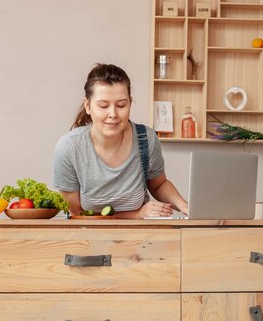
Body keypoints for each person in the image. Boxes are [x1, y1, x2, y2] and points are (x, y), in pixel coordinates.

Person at [52, 63, 188, 218]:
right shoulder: (69, 147)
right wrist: (136, 214)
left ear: (130, 103)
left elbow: (158, 185)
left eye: (121, 105)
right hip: (88, 238)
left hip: (142, 239)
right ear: (88, 106)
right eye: (103, 106)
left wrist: (184, 206)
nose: (113, 114)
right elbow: (76, 213)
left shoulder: (146, 139)